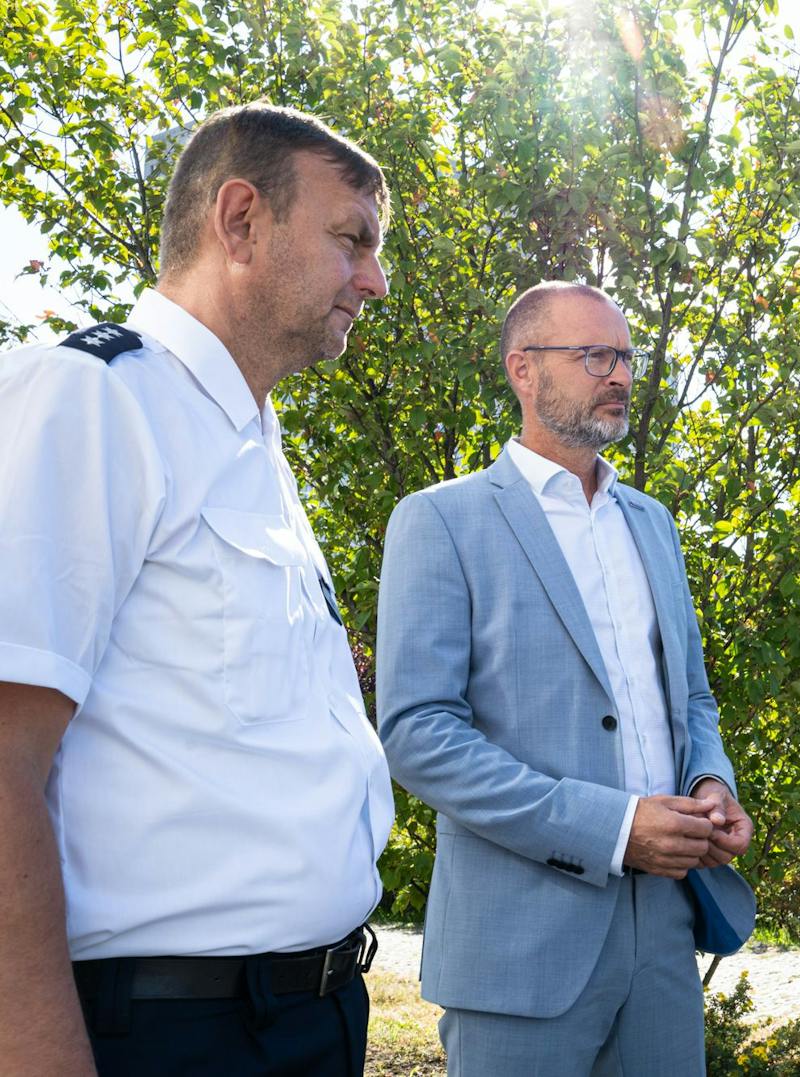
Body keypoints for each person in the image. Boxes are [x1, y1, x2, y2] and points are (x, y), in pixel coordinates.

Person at [0, 104, 394, 1075]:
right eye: (352, 240)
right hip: (183, 1033)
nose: (374, 282)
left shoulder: (249, 440)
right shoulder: (97, 399)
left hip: (312, 1015)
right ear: (240, 221)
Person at [376, 281, 755, 1076]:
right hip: (519, 945)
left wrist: (711, 781)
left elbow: (689, 697)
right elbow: (419, 736)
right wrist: (614, 828)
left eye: (624, 356)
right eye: (593, 356)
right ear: (523, 369)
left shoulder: (651, 522)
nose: (618, 374)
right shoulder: (441, 519)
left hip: (664, 929)